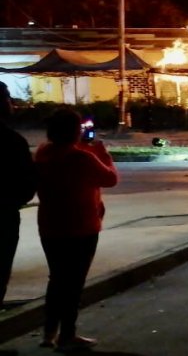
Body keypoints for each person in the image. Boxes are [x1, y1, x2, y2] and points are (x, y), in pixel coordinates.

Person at [34, 108, 118, 351]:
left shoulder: (43, 152)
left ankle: (49, 333)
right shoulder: (83, 157)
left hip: (50, 225)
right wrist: (101, 152)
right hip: (81, 227)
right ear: (74, 131)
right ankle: (67, 336)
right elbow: (110, 178)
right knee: (73, 284)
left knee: (57, 279)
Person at [0, 81, 37, 309]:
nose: (11, 103)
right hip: (3, 217)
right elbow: (26, 184)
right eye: (7, 98)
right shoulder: (11, 141)